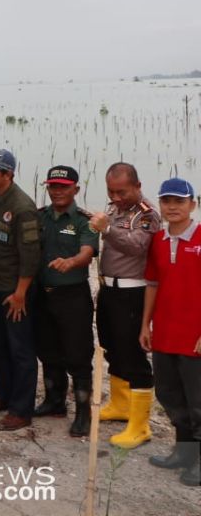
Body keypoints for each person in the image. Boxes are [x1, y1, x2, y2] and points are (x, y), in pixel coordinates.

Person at [89, 162, 160, 449]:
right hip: (108, 290)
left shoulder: (148, 215)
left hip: (132, 293)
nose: (116, 197)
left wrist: (106, 230)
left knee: (133, 355)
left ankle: (140, 425)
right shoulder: (116, 209)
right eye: (111, 191)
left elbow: (136, 247)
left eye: (122, 192)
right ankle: (120, 404)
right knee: (111, 347)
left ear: (138, 186)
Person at [141, 178, 201, 486]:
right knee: (169, 394)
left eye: (179, 201)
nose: (172, 207)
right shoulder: (159, 240)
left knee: (198, 400)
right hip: (165, 332)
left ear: (193, 204)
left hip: (195, 336)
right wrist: (145, 325)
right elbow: (152, 283)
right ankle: (184, 453)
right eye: (166, 201)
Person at [0, 148, 40, 431]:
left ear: (8, 174)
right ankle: (2, 395)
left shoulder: (22, 207)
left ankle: (21, 409)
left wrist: (20, 293)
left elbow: (31, 255)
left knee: (20, 350)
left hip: (15, 291)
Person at [32, 166, 98, 437]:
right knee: (47, 349)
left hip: (72, 296)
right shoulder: (39, 217)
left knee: (78, 354)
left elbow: (87, 252)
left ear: (76, 190)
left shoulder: (84, 221)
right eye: (53, 186)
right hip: (42, 294)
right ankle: (54, 400)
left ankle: (84, 411)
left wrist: (70, 262)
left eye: (64, 187)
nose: (58, 191)